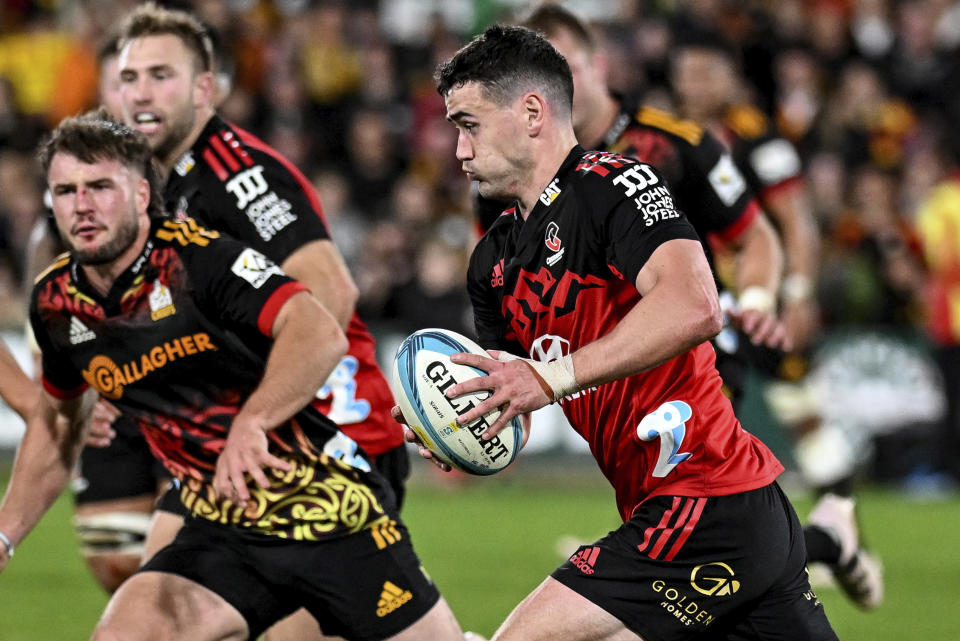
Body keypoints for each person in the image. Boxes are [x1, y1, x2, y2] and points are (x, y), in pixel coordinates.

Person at [411, 24, 838, 640]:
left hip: (706, 500)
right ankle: (838, 536)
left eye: (469, 124)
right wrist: (454, 421)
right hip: (700, 512)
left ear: (532, 112)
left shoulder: (617, 185)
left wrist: (550, 377)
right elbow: (516, 397)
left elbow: (696, 307)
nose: (458, 150)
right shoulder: (492, 263)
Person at [0, 112, 463, 641]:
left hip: (325, 511)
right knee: (128, 632)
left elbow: (318, 332)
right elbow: (59, 425)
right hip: (219, 523)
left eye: (100, 186)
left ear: (141, 191)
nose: (81, 204)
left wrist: (253, 421)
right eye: (65, 190)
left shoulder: (200, 260)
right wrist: (5, 534)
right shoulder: (56, 303)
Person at [113, 5, 410, 637]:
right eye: (130, 76)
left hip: (328, 441)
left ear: (203, 88)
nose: (140, 92)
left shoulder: (239, 177)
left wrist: (261, 411)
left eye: (160, 75)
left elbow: (331, 289)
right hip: (240, 446)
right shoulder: (158, 187)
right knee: (147, 616)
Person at [671, 30, 882, 610]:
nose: (691, 83)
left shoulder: (757, 139)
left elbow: (796, 222)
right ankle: (833, 535)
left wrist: (796, 292)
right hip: (708, 304)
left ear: (729, 78)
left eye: (704, 72)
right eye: (685, 71)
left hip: (753, 305)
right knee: (760, 415)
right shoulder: (669, 139)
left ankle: (837, 528)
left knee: (790, 410)